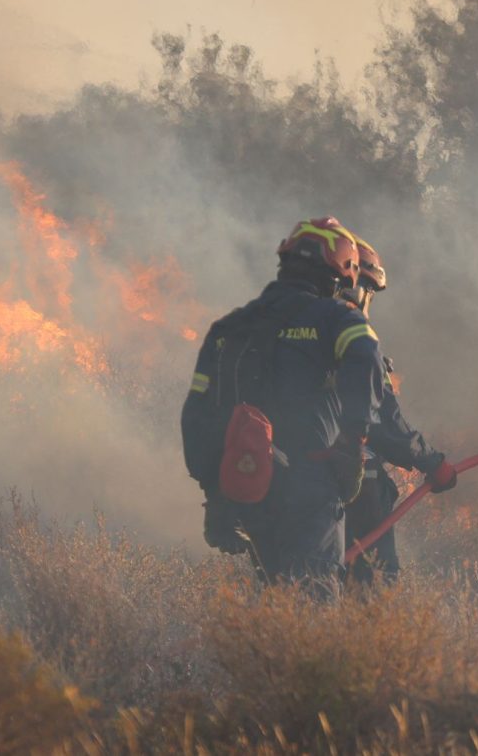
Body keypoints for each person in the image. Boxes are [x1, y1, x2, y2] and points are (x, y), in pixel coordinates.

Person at [179, 216, 385, 595]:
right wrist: (353, 442)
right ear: (337, 274)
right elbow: (367, 359)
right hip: (309, 487)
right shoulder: (335, 318)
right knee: (312, 605)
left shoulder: (228, 328)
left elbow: (196, 416)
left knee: (277, 603)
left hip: (246, 485)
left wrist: (215, 492)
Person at [339, 233, 457, 583]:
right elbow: (384, 424)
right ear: (354, 283)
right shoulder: (352, 337)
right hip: (351, 479)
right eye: (368, 290)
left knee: (297, 585)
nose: (368, 299)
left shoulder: (283, 331)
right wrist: (433, 463)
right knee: (372, 581)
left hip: (285, 480)